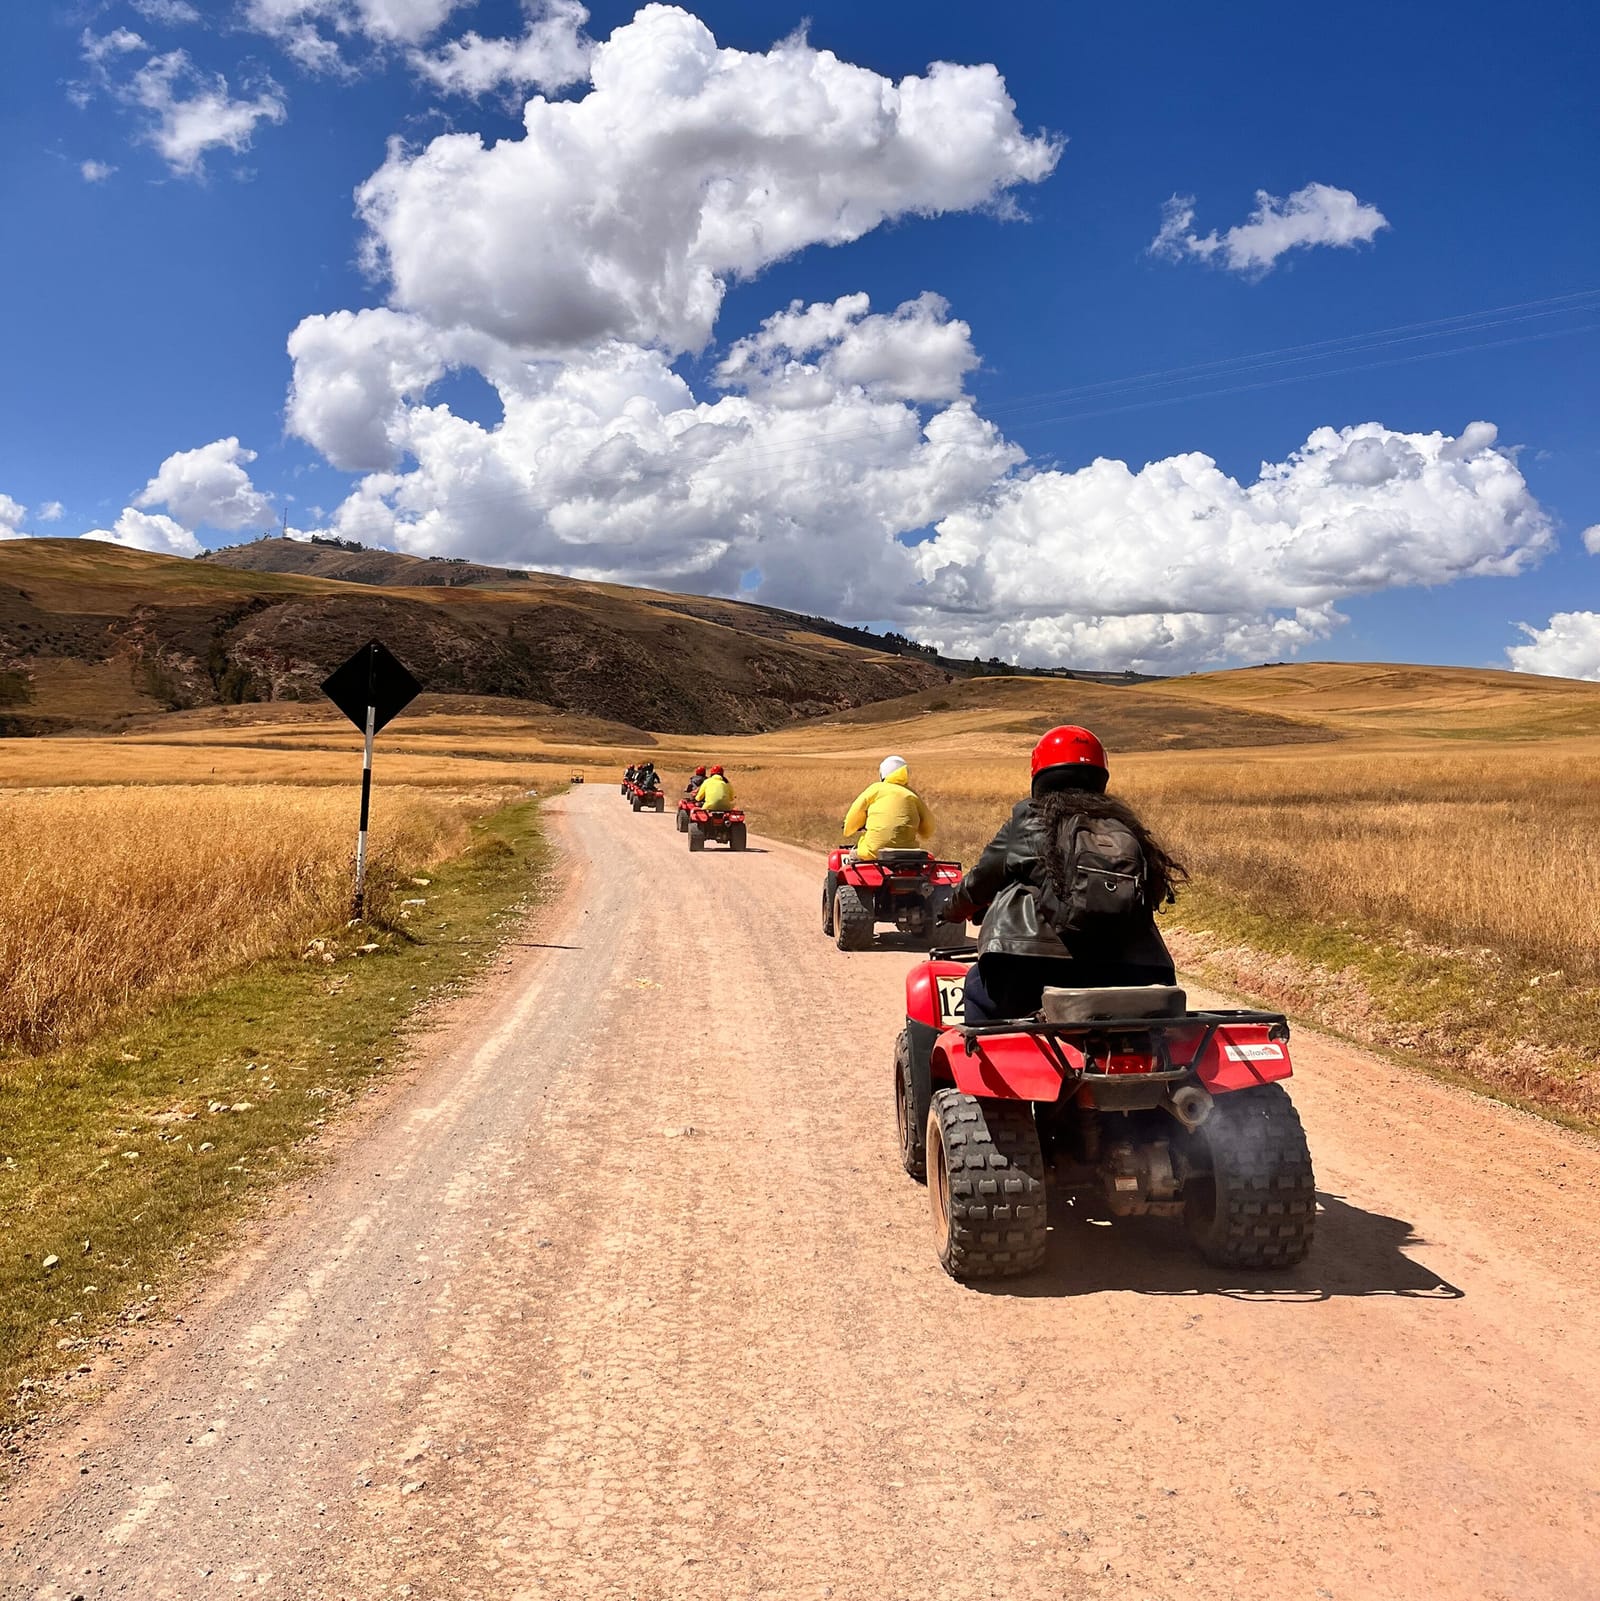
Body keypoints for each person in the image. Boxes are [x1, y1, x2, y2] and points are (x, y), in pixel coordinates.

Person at [946, 725, 1186, 1025]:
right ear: (1100, 777)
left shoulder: (1028, 821)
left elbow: (978, 884)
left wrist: (952, 910)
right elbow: (1154, 894)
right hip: (1138, 972)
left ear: (1040, 775)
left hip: (1029, 970)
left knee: (976, 990)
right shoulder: (1126, 829)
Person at [841, 754, 935, 861]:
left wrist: (848, 829)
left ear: (882, 773)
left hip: (873, 852)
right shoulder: (912, 795)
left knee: (852, 857)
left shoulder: (875, 789)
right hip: (909, 854)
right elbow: (929, 829)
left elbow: (854, 814)